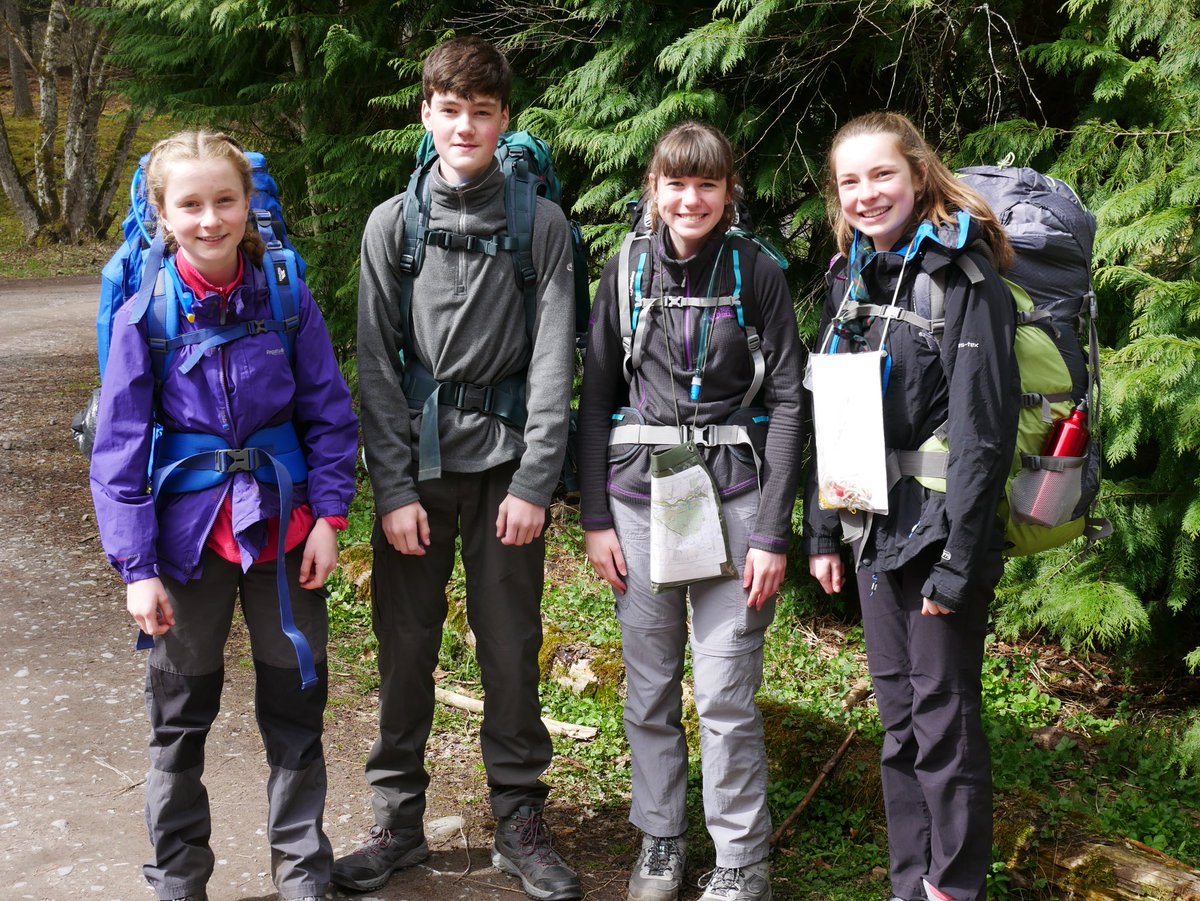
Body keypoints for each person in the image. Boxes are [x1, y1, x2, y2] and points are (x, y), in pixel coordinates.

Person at [339, 36, 581, 901]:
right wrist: (393, 488)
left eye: (483, 111)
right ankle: (397, 821)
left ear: (504, 118)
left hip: (505, 472)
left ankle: (519, 818)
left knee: (512, 650)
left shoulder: (542, 226)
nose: (467, 124)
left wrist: (535, 482)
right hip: (419, 469)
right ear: (427, 114)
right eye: (451, 109)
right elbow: (374, 363)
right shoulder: (390, 226)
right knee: (405, 647)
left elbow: (555, 363)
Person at [89, 130, 358, 901]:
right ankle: (179, 880)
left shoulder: (284, 295)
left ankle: (304, 874)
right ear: (164, 214)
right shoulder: (149, 311)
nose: (210, 219)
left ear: (248, 205)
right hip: (186, 544)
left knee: (295, 709)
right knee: (179, 721)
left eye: (225, 201)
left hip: (283, 528)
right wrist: (136, 570)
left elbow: (330, 416)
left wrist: (331, 519)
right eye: (191, 204)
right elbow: (118, 449)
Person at [578, 121, 804, 901]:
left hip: (737, 501)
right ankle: (662, 838)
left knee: (724, 689)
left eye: (707, 183)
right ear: (654, 189)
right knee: (647, 687)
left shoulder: (758, 273)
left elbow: (788, 402)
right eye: (676, 182)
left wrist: (774, 532)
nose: (691, 198)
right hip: (640, 501)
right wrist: (595, 518)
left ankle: (742, 858)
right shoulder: (627, 269)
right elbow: (597, 395)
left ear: (728, 191)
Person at [804, 111, 1020, 901]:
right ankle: (910, 885)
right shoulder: (851, 276)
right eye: (849, 181)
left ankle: (952, 888)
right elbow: (834, 410)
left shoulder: (966, 279)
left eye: (881, 175)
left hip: (939, 541)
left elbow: (984, 435)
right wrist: (824, 529)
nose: (866, 193)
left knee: (945, 721)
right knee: (900, 720)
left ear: (919, 174)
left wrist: (960, 565)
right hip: (871, 535)